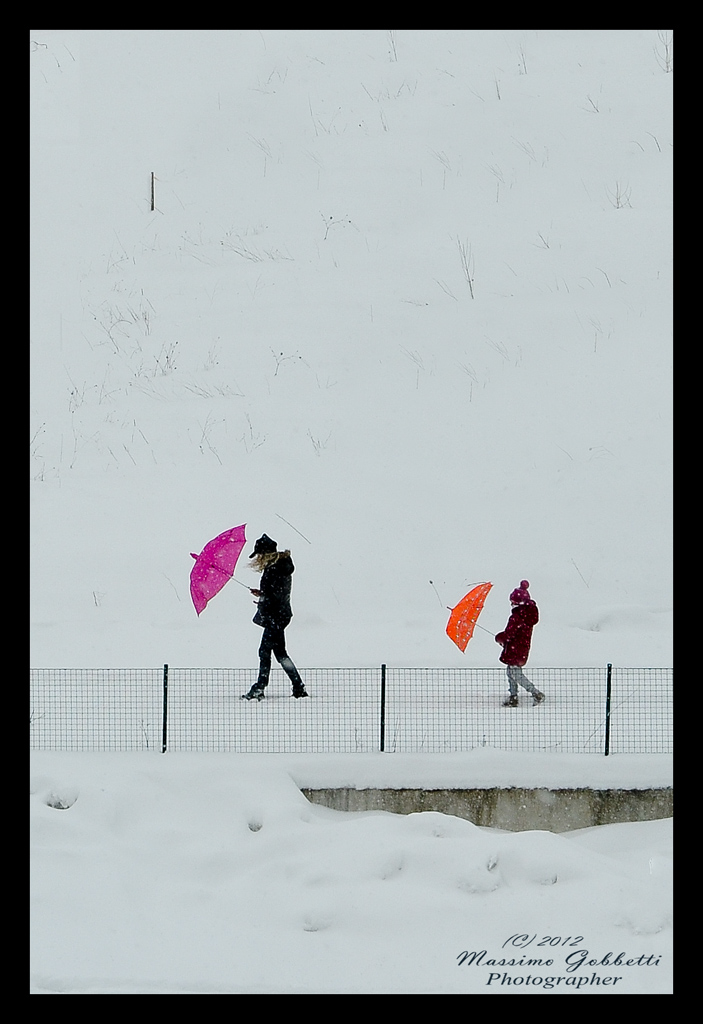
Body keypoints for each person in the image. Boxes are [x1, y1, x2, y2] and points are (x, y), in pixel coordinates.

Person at [241, 534, 308, 701]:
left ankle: (260, 687)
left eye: (259, 555)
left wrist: (264, 598)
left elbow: (276, 595)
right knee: (280, 653)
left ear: (265, 553)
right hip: (280, 614)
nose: (258, 558)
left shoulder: (275, 568)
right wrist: (263, 594)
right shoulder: (278, 566)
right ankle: (298, 686)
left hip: (275, 617)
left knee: (265, 652)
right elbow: (277, 593)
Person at [495, 579, 544, 707]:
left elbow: (509, 634)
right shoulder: (527, 615)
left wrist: (499, 638)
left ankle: (536, 693)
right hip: (520, 648)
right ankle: (513, 696)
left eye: (512, 602)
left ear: (517, 603)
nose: (511, 604)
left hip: (514, 649)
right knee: (511, 672)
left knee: (515, 674)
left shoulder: (517, 617)